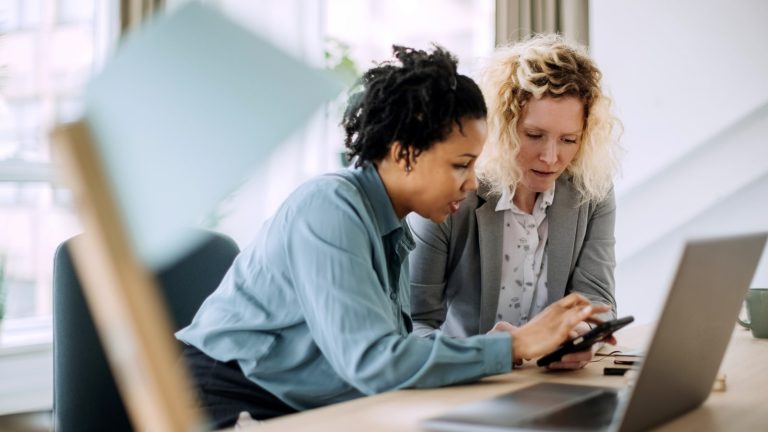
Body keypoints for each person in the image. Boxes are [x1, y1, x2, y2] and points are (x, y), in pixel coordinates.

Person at [176, 44, 610, 428]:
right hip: (225, 402)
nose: (473, 183)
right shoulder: (329, 206)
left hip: (304, 406)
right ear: (405, 155)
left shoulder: (389, 222)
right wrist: (511, 344)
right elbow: (373, 362)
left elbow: (395, 351)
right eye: (461, 164)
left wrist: (494, 349)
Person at [408, 34, 623, 370]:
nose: (551, 157)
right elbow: (411, 324)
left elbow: (597, 301)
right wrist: (486, 352)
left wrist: (583, 335)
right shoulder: (452, 192)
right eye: (534, 135)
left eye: (569, 140)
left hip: (548, 384)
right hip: (463, 382)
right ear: (502, 127)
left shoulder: (590, 191)